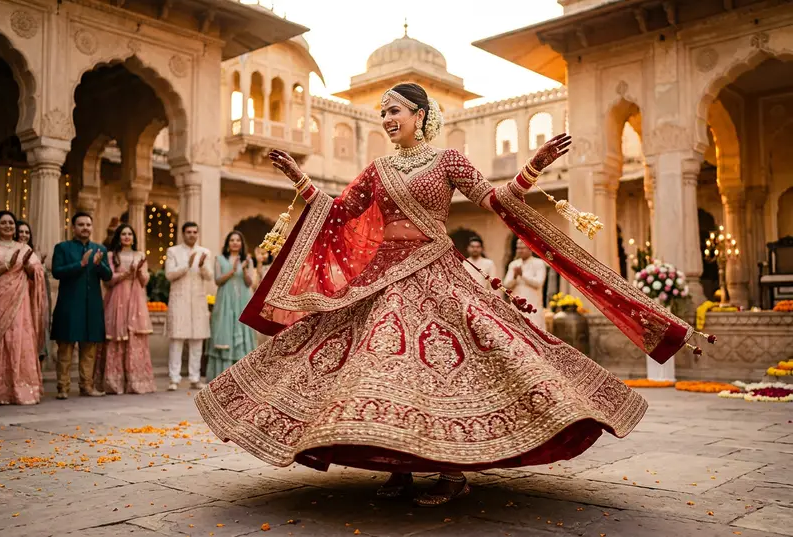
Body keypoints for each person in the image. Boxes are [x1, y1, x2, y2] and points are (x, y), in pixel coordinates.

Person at [195, 83, 699, 507]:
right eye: (382, 113)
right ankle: (397, 466)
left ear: (419, 115)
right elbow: (342, 211)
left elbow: (493, 199)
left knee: (441, 372)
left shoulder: (448, 161)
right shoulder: (377, 169)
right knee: (380, 371)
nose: (387, 120)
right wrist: (301, 180)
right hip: (381, 279)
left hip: (437, 275)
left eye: (394, 111)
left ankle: (452, 472)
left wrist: (533, 166)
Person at [51, 211, 112, 399]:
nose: (85, 228)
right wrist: (81, 264)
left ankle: (87, 386)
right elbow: (57, 272)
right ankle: (63, 388)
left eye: (88, 224)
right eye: (81, 224)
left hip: (92, 306)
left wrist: (99, 264)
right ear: (73, 227)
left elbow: (108, 276)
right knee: (65, 347)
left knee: (90, 348)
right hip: (69, 305)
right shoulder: (62, 248)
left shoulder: (99, 249)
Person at [94, 223, 155, 394]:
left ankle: (136, 382)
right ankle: (114, 383)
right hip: (117, 297)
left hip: (135, 298)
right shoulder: (111, 255)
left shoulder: (140, 255)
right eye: (123, 234)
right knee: (116, 336)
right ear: (118, 237)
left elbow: (144, 281)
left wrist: (139, 272)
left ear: (134, 238)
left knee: (135, 335)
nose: (127, 237)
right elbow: (108, 280)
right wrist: (125, 274)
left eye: (130, 234)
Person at [0, 211, 46, 405]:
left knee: (19, 339)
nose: (8, 226)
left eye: (11, 223)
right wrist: (6, 266)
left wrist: (28, 267)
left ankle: (21, 388)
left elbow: (37, 274)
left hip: (20, 302)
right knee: (0, 340)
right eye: (3, 223)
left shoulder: (24, 248)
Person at [165, 222, 212, 391]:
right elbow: (169, 275)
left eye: (194, 232)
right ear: (183, 234)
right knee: (176, 340)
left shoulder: (204, 252)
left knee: (197, 340)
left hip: (198, 301)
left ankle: (195, 378)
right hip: (179, 300)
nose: (192, 235)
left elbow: (209, 276)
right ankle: (174, 378)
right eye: (188, 232)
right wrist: (187, 264)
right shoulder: (173, 251)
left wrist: (201, 265)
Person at [206, 230, 255, 379]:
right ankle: (222, 375)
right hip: (225, 301)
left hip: (242, 300)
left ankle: (242, 376)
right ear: (228, 243)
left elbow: (249, 283)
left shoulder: (247, 260)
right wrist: (232, 271)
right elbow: (218, 280)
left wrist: (244, 269)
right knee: (225, 329)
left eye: (238, 240)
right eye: (232, 240)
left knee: (242, 330)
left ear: (241, 244)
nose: (235, 243)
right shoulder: (220, 259)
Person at [16, 220, 51, 363]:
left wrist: (40, 265)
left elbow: (41, 279)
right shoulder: (11, 250)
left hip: (33, 301)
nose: (24, 235)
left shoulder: (32, 254)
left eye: (27, 232)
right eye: (21, 231)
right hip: (16, 299)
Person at [503, 240, 548, 331]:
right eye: (518, 248)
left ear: (530, 249)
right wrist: (515, 276)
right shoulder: (514, 264)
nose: (520, 251)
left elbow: (539, 283)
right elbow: (506, 285)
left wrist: (522, 275)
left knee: (535, 331)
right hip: (516, 306)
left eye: (522, 248)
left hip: (533, 306)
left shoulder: (539, 263)